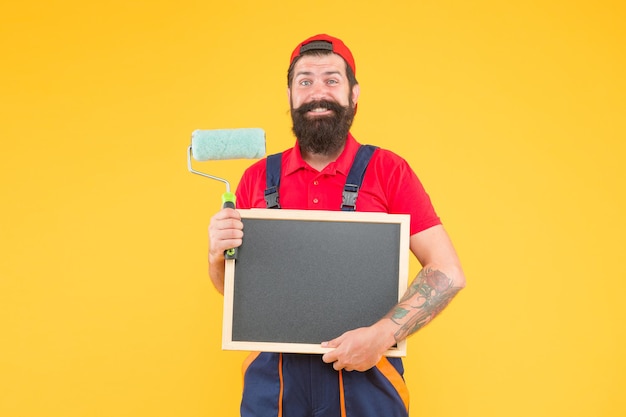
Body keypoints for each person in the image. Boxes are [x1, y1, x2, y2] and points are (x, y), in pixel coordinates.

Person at [208, 34, 466, 417]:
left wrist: (382, 337)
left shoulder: (389, 171)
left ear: (354, 94)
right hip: (274, 379)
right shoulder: (256, 178)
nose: (317, 92)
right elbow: (235, 293)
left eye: (331, 79)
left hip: (369, 372)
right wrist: (216, 255)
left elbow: (447, 272)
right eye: (305, 81)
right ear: (291, 95)